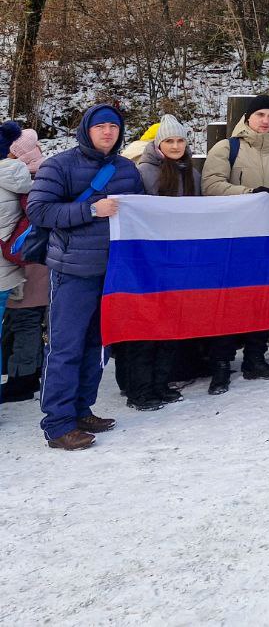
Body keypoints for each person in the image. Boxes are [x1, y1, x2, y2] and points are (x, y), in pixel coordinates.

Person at [27, 104, 145, 450]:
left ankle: (81, 409)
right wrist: (91, 209)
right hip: (72, 271)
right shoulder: (59, 165)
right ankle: (58, 424)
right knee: (65, 347)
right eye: (101, 126)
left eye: (113, 126)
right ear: (87, 130)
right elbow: (39, 210)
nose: (108, 132)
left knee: (97, 345)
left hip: (113, 271)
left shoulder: (126, 168)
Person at [202, 94, 269, 391]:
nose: (265, 121)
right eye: (260, 115)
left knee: (265, 296)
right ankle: (221, 363)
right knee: (230, 300)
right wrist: (249, 194)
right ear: (248, 118)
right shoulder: (227, 148)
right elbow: (211, 185)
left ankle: (255, 358)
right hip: (235, 237)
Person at [115, 114, 202, 410]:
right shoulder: (143, 171)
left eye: (180, 140)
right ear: (158, 143)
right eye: (169, 141)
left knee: (170, 321)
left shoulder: (192, 172)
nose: (176, 146)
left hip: (179, 258)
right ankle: (138, 388)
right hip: (147, 259)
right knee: (145, 324)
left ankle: (161, 382)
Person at [2, 127, 45, 403]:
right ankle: (29, 373)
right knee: (29, 320)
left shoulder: (12, 176)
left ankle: (22, 380)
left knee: (24, 320)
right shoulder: (43, 174)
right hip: (39, 259)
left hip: (22, 262)